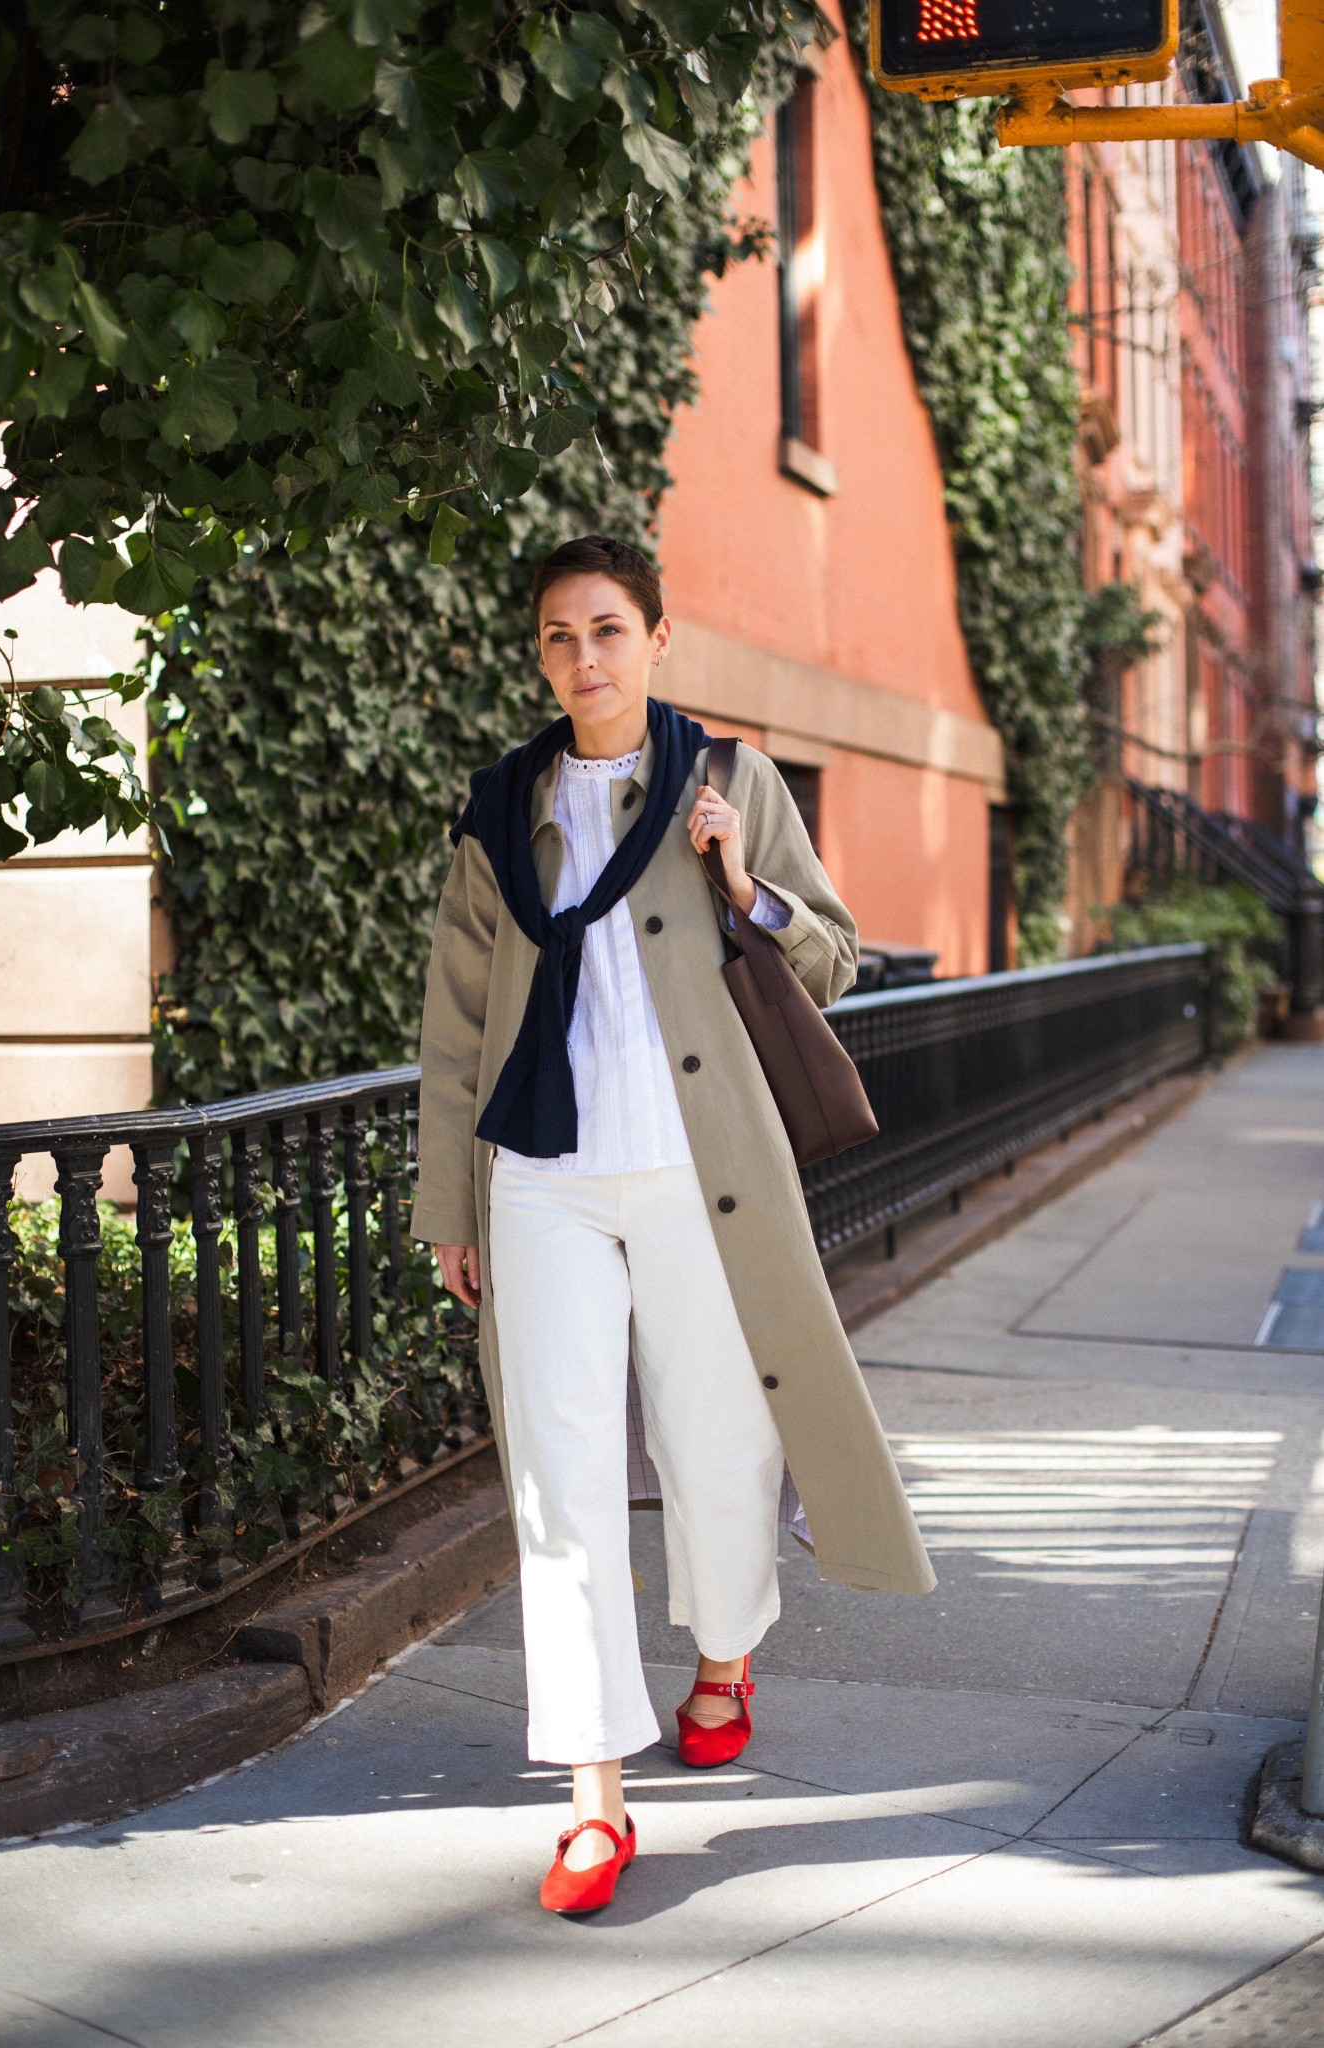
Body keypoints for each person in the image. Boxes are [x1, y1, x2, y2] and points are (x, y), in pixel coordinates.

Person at [412, 535, 934, 1916]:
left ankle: (723, 1654)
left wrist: (741, 883)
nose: (582, 657)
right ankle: (594, 1794)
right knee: (560, 1474)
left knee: (719, 1441)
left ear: (655, 639)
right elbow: (457, 1024)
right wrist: (449, 1204)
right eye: (558, 636)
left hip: (701, 1173)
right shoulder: (500, 807)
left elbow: (832, 955)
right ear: (540, 656)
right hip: (543, 1178)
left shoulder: (730, 779)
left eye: (606, 629)